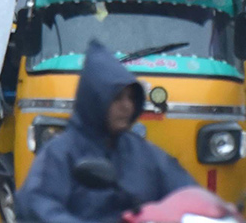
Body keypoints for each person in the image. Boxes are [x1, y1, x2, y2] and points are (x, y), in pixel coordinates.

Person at [16, 41, 196, 223]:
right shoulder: (60, 154)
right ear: (95, 99)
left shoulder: (143, 153)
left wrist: (214, 210)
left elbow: (185, 190)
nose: (127, 106)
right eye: (117, 98)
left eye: (131, 98)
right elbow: (37, 204)